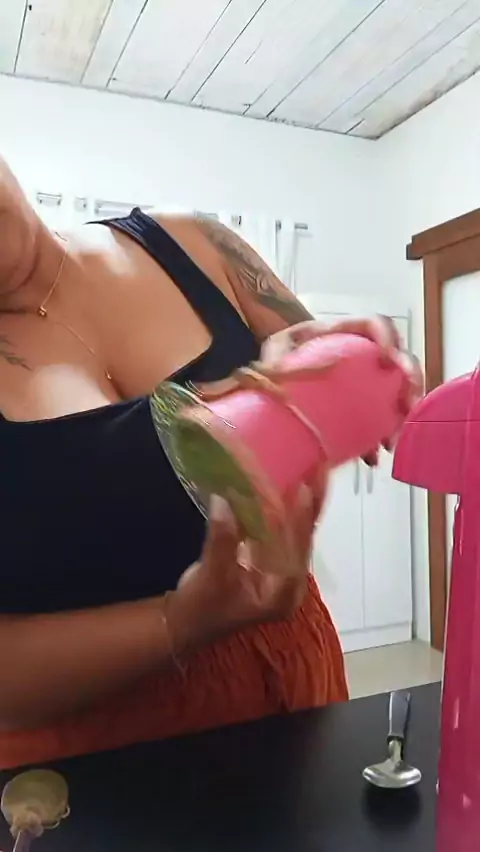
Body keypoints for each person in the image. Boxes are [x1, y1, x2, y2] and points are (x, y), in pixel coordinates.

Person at [0, 156, 420, 769]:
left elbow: (350, 385)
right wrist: (180, 622)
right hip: (99, 756)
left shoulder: (192, 242)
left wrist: (324, 369)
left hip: (288, 674)